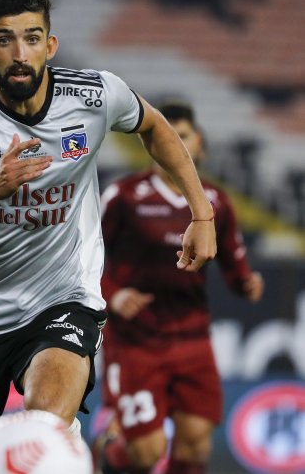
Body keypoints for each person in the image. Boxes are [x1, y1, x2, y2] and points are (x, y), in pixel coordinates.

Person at [0, 0, 217, 473]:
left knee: (44, 423)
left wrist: (201, 212)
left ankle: (65, 451)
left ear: (50, 45)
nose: (19, 53)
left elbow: (155, 127)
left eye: (32, 38)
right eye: (4, 39)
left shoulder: (95, 95)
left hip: (62, 297)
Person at [94, 102, 264, 474]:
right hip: (137, 340)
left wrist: (247, 284)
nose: (175, 146)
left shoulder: (215, 202)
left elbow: (234, 266)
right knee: (145, 453)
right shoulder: (124, 196)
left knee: (196, 443)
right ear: (151, 144)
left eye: (182, 138)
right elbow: (85, 256)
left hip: (192, 337)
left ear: (198, 144)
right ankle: (105, 455)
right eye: (167, 137)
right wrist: (114, 294)